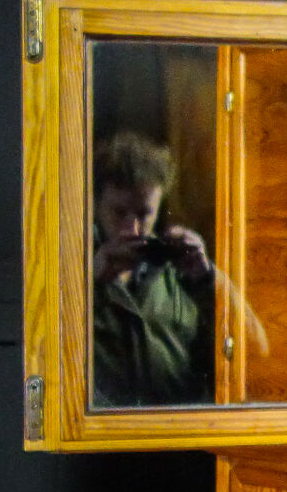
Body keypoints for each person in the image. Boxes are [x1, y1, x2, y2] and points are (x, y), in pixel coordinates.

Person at [90, 130, 215, 407]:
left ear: (159, 208)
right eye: (119, 212)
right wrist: (90, 282)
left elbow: (255, 347)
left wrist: (209, 278)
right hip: (104, 443)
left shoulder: (181, 270)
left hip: (179, 438)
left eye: (145, 213)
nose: (132, 229)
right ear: (96, 207)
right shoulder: (71, 270)